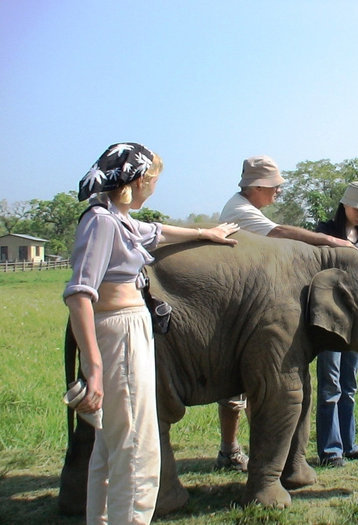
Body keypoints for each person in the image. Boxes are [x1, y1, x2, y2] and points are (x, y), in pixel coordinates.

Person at [64, 142, 240, 524]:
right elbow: (79, 294)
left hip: (129, 327)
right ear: (140, 180)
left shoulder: (117, 217)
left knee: (113, 444)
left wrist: (204, 233)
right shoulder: (102, 222)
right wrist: (93, 368)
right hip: (118, 332)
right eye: (155, 180)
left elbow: (157, 232)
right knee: (135, 448)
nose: (156, 188)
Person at [215, 155, 355, 471]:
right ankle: (247, 455)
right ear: (259, 186)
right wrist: (330, 243)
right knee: (250, 387)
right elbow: (280, 234)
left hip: (238, 305)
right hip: (236, 309)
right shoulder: (240, 210)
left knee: (241, 389)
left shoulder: (243, 207)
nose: (278, 192)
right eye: (275, 187)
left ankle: (235, 451)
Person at [315, 181, 358, 467]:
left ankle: (350, 445)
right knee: (330, 385)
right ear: (344, 205)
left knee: (349, 384)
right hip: (330, 318)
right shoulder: (324, 232)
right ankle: (330, 451)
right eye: (357, 208)